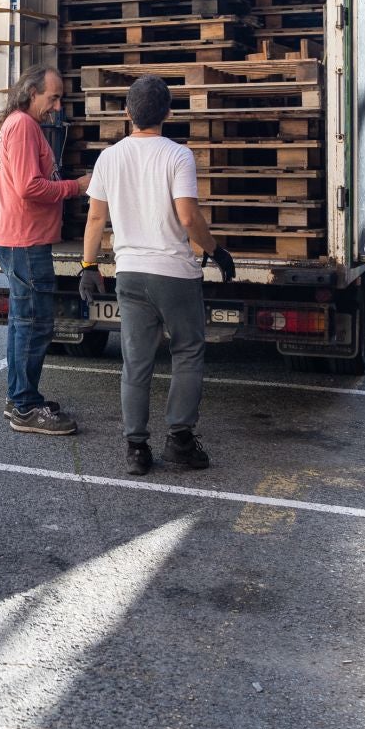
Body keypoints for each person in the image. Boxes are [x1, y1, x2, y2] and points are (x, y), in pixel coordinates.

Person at [79, 74, 233, 475]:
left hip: (130, 273)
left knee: (136, 361)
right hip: (174, 275)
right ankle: (180, 441)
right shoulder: (177, 156)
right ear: (168, 112)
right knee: (187, 352)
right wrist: (215, 251)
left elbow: (96, 216)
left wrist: (88, 266)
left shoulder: (109, 158)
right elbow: (187, 216)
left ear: (127, 113)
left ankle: (136, 449)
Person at [0, 65, 88, 434]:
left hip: (14, 236)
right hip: (24, 240)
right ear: (33, 93)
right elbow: (31, 187)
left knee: (21, 322)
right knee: (34, 324)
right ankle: (27, 408)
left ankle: (19, 398)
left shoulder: (14, 124)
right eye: (54, 97)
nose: (58, 106)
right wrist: (75, 187)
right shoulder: (24, 127)